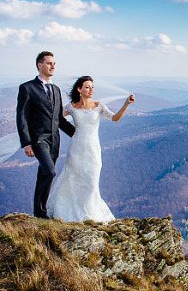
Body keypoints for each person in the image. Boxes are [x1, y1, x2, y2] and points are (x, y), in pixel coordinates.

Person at [47, 76, 135, 222]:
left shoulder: (99, 106)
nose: (91, 90)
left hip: (93, 149)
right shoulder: (71, 107)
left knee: (92, 180)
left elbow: (115, 118)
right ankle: (69, 211)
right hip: (76, 148)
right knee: (72, 179)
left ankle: (89, 211)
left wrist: (126, 104)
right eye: (87, 87)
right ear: (79, 89)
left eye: (92, 87)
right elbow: (55, 117)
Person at [16, 51, 77, 219]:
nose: (53, 66)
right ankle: (40, 213)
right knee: (50, 171)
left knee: (44, 173)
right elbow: (21, 117)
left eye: (54, 63)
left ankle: (39, 212)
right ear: (39, 65)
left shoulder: (56, 90)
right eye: (49, 63)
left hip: (54, 140)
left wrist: (79, 135)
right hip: (38, 138)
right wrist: (26, 143)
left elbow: (59, 120)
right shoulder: (27, 88)